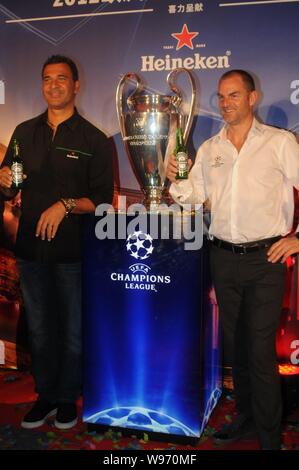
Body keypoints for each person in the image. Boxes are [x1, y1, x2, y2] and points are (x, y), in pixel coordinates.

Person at [166, 70, 299, 450]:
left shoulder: (279, 142)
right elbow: (192, 196)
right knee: (236, 347)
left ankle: (271, 438)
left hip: (265, 260)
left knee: (258, 351)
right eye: (222, 97)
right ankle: (247, 419)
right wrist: (177, 180)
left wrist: (298, 239)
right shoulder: (210, 149)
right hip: (222, 257)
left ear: (253, 98)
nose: (226, 103)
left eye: (234, 95)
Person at [0, 55, 114, 430]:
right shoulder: (23, 131)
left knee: (72, 330)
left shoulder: (93, 139)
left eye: (62, 78)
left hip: (72, 253)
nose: (53, 85)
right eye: (47, 78)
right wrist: (4, 181)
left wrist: (65, 205)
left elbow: (101, 200)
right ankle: (45, 395)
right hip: (31, 251)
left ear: (76, 85)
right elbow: (12, 185)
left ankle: (67, 398)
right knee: (40, 329)